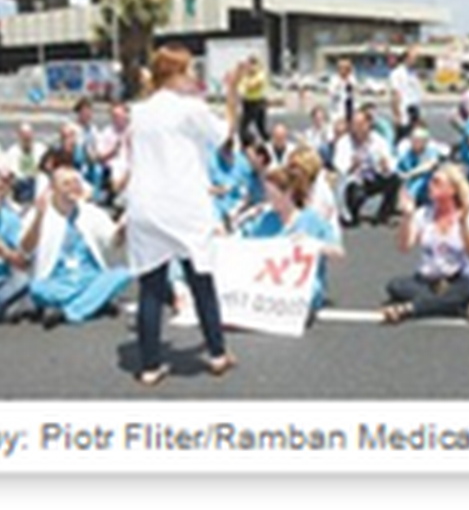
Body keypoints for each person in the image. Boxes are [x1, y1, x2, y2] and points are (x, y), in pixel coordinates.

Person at [125, 45, 239, 386]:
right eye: (188, 71)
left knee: (150, 286)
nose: (193, 77)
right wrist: (232, 93)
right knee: (200, 279)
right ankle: (217, 353)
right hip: (183, 205)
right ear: (173, 74)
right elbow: (225, 133)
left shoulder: (139, 111)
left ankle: (149, 366)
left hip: (144, 205)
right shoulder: (191, 109)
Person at [21, 166, 129, 330]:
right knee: (37, 288)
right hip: (57, 281)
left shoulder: (90, 212)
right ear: (54, 189)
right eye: (67, 184)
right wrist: (38, 218)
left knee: (122, 274)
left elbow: (112, 241)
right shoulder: (41, 212)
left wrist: (122, 230)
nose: (73, 187)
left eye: (76, 182)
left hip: (89, 278)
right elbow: (25, 248)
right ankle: (94, 302)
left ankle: (69, 311)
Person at [381, 164, 469, 323]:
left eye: (437, 182)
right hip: (426, 280)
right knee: (395, 285)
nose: (430, 186)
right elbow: (404, 246)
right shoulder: (424, 214)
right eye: (430, 182)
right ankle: (458, 307)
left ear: (452, 190)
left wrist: (463, 223)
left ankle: (410, 309)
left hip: (456, 279)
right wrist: (407, 216)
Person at [241, 164, 343, 312]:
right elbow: (244, 243)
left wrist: (314, 245)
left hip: (302, 285)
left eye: (273, 195)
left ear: (288, 193)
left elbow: (338, 252)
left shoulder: (312, 220)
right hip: (269, 281)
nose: (269, 199)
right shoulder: (266, 220)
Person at [333, 109, 401, 227]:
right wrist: (352, 166)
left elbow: (390, 162)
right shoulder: (344, 142)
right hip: (355, 181)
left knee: (395, 180)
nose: (356, 128)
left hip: (373, 176)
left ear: (368, 125)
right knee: (355, 193)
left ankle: (384, 214)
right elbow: (340, 168)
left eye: (360, 124)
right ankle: (352, 215)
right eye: (353, 125)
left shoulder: (378, 140)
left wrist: (386, 166)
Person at [0, 166, 29, 322]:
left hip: (3, 281)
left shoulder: (10, 218)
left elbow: (23, 259)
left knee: (25, 280)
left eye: (5, 182)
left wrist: (6, 252)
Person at [396, 125, 443, 207]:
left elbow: (430, 164)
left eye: (416, 140)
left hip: (427, 182)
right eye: (412, 139)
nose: (413, 142)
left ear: (424, 142)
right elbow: (398, 166)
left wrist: (410, 173)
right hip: (410, 183)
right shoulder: (407, 151)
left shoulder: (430, 150)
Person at [5, 122, 46, 207]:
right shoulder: (12, 151)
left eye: (29, 134)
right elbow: (10, 172)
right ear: (19, 136)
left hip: (38, 184)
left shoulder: (41, 149)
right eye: (24, 135)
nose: (27, 137)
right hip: (19, 188)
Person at [389, 47, 423, 142]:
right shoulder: (397, 73)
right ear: (406, 58)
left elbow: (416, 94)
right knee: (402, 140)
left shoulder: (413, 74)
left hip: (414, 112)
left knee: (414, 139)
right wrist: (397, 115)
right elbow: (395, 94)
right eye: (414, 58)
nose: (415, 60)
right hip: (403, 112)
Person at [237, 53, 269, 145]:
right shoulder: (246, 75)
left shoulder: (260, 74)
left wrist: (245, 79)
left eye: (252, 64)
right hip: (247, 103)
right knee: (243, 129)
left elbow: (252, 85)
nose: (250, 67)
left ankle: (266, 143)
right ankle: (251, 143)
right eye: (249, 64)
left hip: (257, 103)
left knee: (260, 128)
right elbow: (240, 88)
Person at [328, 58, 358, 127]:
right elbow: (332, 93)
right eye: (341, 68)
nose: (344, 70)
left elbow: (354, 94)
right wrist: (339, 85)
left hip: (350, 110)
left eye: (347, 68)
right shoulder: (334, 79)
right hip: (337, 111)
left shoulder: (352, 79)